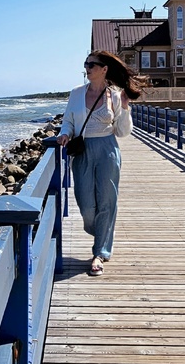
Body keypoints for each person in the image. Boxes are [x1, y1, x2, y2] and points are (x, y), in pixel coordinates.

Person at [57, 50, 145, 276]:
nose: (87, 68)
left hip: (107, 149)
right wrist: (65, 133)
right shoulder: (76, 93)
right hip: (82, 150)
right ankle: (101, 233)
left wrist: (125, 107)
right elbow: (68, 121)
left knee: (107, 200)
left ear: (104, 69)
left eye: (92, 65)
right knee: (86, 205)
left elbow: (122, 131)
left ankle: (100, 252)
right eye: (86, 64)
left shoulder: (114, 95)